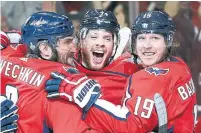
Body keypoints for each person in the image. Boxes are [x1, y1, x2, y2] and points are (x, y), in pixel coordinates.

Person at [46, 10, 197, 132]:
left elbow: (129, 126)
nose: (147, 45)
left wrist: (81, 94)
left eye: (155, 38)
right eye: (142, 38)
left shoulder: (144, 75)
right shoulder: (178, 65)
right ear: (82, 40)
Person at [1, 11, 101, 133]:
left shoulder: (7, 55)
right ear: (44, 49)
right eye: (67, 42)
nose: (74, 48)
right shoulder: (58, 82)